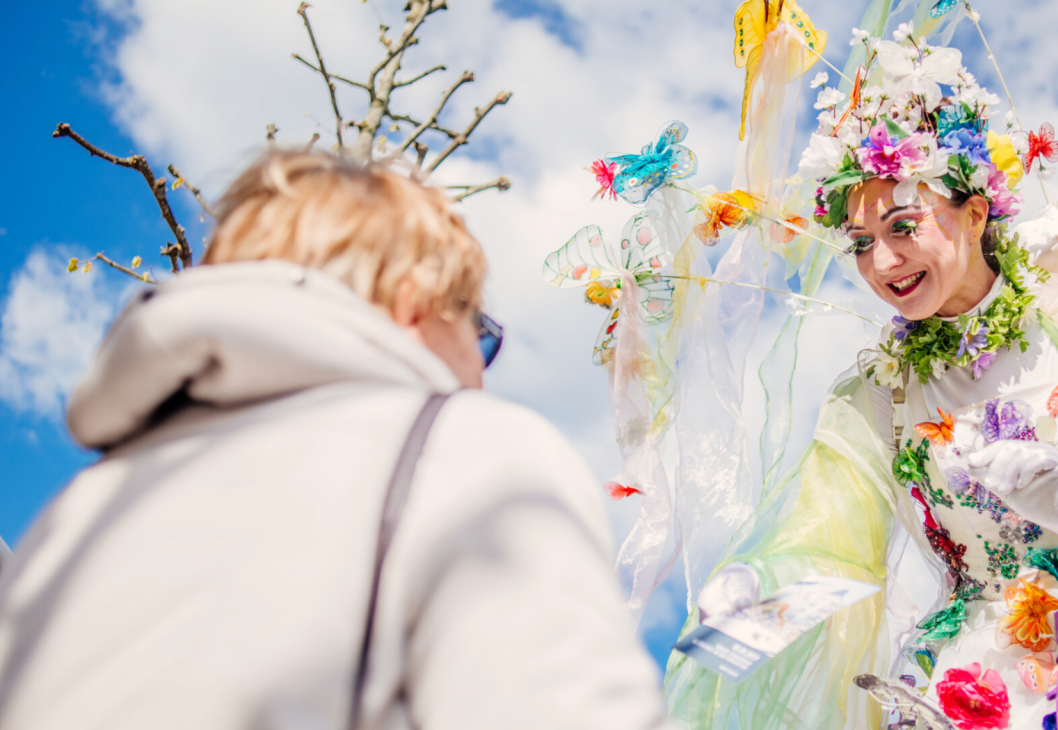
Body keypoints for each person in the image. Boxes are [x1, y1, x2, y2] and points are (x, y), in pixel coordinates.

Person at [664, 21, 1058, 730]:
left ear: (975, 211)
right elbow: (825, 546)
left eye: (903, 226)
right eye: (861, 244)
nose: (883, 264)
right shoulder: (876, 396)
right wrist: (755, 591)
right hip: (976, 688)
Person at [0, 151, 672, 730]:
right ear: (416, 300)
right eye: (481, 334)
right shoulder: (463, 448)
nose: (480, 372)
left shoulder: (73, 517)